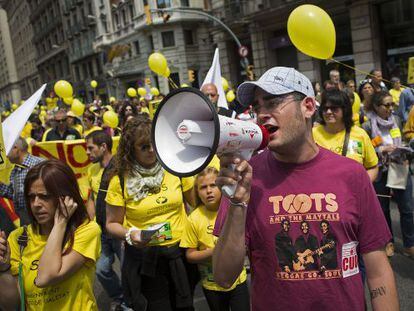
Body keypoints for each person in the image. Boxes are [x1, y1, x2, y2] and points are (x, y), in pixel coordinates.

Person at [212, 66, 398, 310]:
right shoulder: (245, 177)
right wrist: (237, 204)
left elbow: (377, 271)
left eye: (272, 103)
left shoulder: (351, 175)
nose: (262, 115)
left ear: (308, 107)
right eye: (257, 107)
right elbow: (224, 277)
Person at [105, 115, 195, 310]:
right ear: (131, 150)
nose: (152, 150)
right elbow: (111, 224)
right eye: (144, 146)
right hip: (146, 260)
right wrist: (130, 234)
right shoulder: (119, 181)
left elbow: (197, 205)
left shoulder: (176, 168)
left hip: (180, 255)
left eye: (154, 143)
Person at [0, 159, 101, 310]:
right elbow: (12, 305)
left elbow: (45, 277)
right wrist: (4, 268)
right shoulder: (18, 238)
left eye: (45, 196)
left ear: (66, 197)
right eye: (31, 196)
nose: (36, 204)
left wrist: (60, 223)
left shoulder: (86, 231)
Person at [180, 167, 249, 311]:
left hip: (238, 280)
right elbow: (190, 255)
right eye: (203, 187)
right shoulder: (193, 219)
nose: (209, 191)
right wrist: (215, 251)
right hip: (212, 285)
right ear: (197, 192)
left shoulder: (234, 210)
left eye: (213, 185)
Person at [362, 91, 414, 259]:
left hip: (400, 168)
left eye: (393, 104)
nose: (391, 108)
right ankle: (388, 242)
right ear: (376, 106)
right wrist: (380, 150)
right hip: (381, 172)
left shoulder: (397, 120)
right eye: (387, 105)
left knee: (407, 208)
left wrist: (404, 149)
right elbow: (365, 149)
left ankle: (409, 244)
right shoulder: (368, 125)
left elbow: (403, 139)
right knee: (383, 210)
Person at [85, 130, 127, 310]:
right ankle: (119, 297)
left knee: (128, 270)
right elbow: (91, 199)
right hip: (101, 231)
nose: (87, 152)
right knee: (101, 269)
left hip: (120, 230)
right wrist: (92, 223)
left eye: (90, 148)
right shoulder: (91, 170)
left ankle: (132, 301)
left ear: (103, 147)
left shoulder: (122, 167)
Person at [313, 89, 378, 182]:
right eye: (325, 108)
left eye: (334, 108)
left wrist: (361, 187)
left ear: (345, 110)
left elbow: (372, 167)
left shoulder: (360, 134)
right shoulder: (311, 135)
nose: (328, 112)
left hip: (353, 194)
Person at [0, 137, 44, 225]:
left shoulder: (40, 165)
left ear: (15, 148)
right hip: (26, 223)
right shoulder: (15, 170)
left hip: (42, 221)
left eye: (7, 150)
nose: (6, 155)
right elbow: (13, 194)